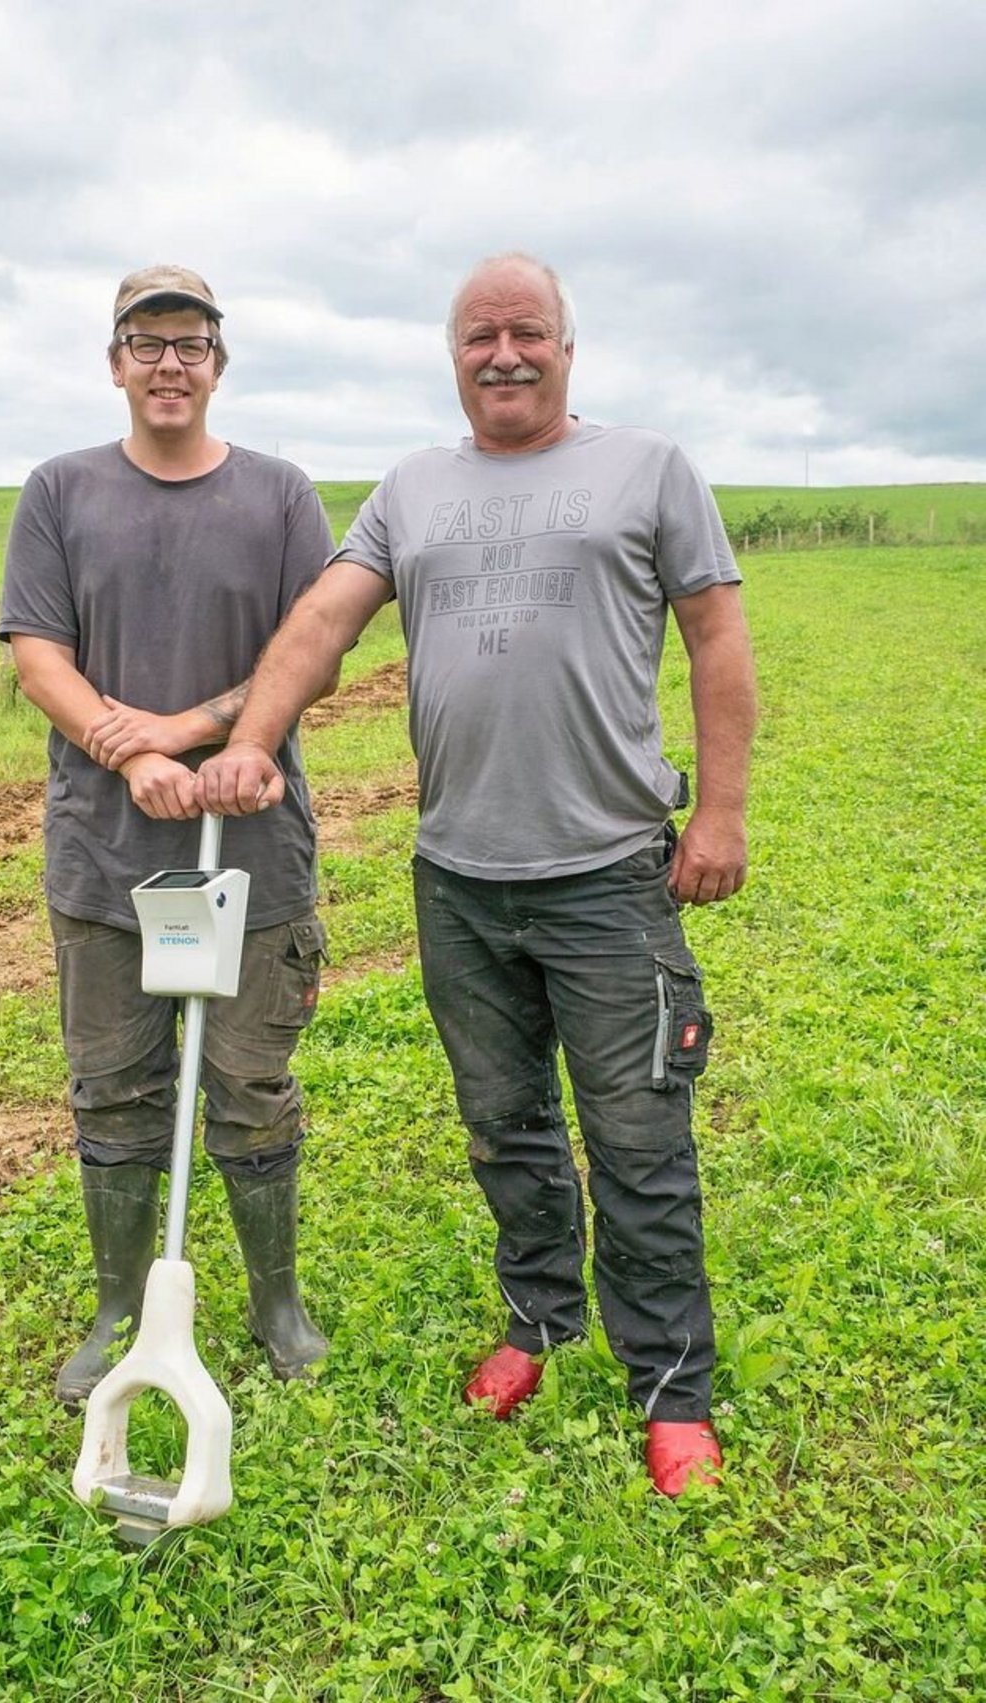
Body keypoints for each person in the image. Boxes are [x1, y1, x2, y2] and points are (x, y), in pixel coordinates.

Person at [197, 252, 757, 1495]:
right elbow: (324, 620)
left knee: (637, 1135)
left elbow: (716, 632)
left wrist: (718, 812)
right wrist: (251, 740)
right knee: (504, 1125)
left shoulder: (647, 467)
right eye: (478, 336)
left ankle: (671, 1388)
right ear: (452, 356)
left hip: (607, 874)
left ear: (566, 345)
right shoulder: (412, 488)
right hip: (456, 879)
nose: (503, 353)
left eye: (525, 331)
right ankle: (537, 1319)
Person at [0, 264, 334, 1408]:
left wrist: (189, 733)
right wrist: (128, 754)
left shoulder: (280, 497)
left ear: (217, 364)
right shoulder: (59, 490)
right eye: (146, 343)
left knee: (248, 1080)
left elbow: (311, 651)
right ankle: (116, 1306)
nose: (169, 363)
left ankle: (276, 1301)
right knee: (113, 1087)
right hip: (103, 854)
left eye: (190, 343)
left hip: (252, 849)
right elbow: (38, 654)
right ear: (115, 363)